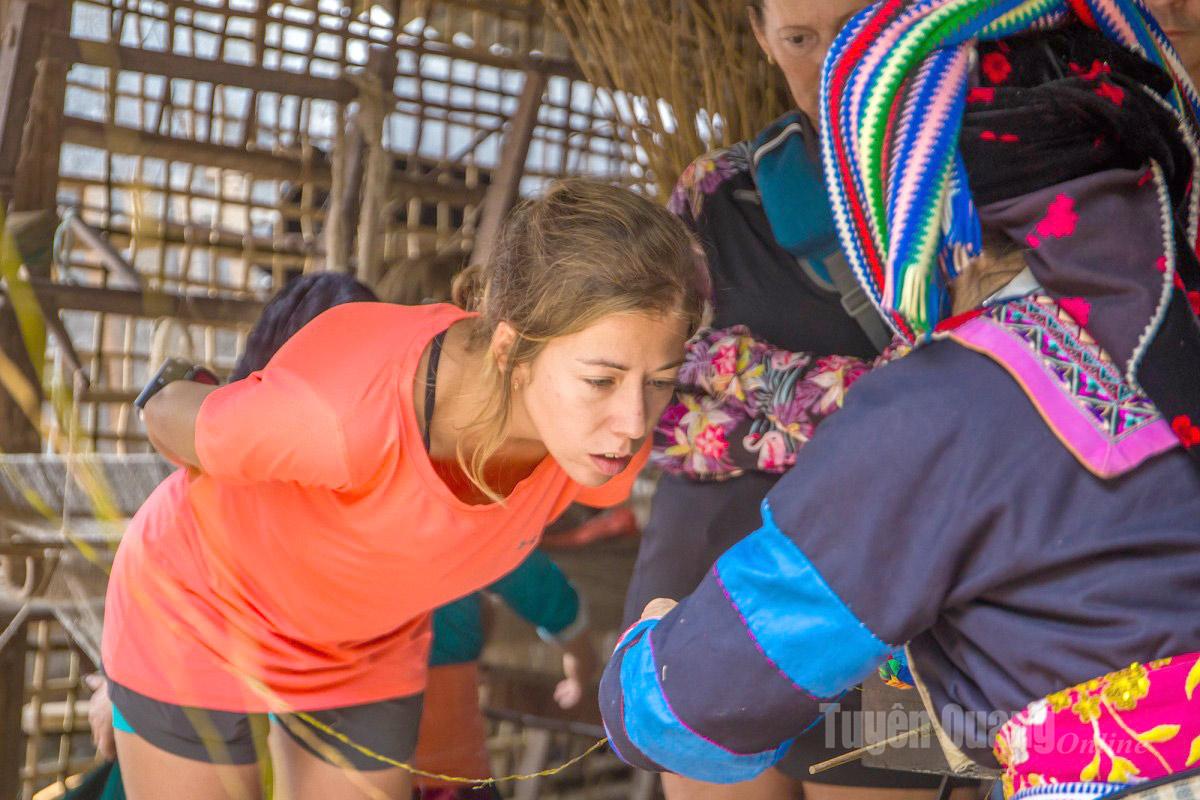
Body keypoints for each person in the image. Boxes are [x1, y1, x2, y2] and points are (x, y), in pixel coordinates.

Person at [601, 3, 1200, 800]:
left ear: (922, 198)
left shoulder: (948, 401)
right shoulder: (1167, 323)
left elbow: (697, 705)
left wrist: (643, 666)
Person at [101, 178, 708, 800]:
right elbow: (166, 414)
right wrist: (209, 405)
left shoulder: (604, 448)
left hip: (364, 650)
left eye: (658, 380)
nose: (634, 421)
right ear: (511, 351)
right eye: (602, 381)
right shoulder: (342, 415)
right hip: (200, 612)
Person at [623, 0, 951, 796]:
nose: (834, 62)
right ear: (761, 38)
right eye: (800, 39)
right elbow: (660, 406)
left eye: (859, 26)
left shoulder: (962, 194)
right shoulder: (719, 197)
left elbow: (979, 397)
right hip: (714, 567)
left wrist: (739, 375)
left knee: (875, 775)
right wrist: (864, 408)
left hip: (892, 586)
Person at [412, 549, 596, 800]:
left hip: (365, 762)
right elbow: (542, 588)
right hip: (444, 768)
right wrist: (581, 661)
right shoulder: (459, 531)